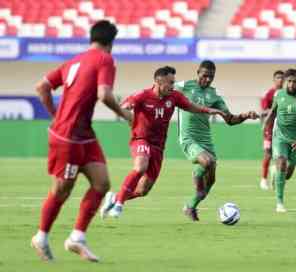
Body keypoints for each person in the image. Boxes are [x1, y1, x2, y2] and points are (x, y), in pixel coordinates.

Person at [31, 20, 131, 262]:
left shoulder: (75, 60)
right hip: (69, 137)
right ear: (111, 43)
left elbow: (42, 86)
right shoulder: (105, 59)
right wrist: (127, 115)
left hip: (83, 134)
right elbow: (104, 94)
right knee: (62, 190)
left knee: (101, 183)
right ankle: (41, 237)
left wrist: (55, 115)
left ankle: (77, 237)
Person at [100, 66, 226, 219]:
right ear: (158, 81)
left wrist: (211, 110)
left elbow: (192, 107)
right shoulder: (142, 95)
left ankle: (114, 198)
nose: (173, 86)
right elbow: (124, 107)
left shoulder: (174, 97)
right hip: (141, 140)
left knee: (143, 190)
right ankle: (119, 204)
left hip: (158, 147)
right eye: (170, 83)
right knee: (140, 167)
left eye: (173, 83)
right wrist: (127, 112)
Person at [174, 60, 259, 221]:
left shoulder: (214, 95)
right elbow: (161, 89)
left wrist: (245, 115)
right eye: (204, 76)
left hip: (206, 140)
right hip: (188, 138)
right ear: (198, 72)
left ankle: (190, 206)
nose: (207, 80)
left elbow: (230, 119)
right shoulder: (183, 86)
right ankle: (197, 173)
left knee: (210, 183)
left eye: (211, 77)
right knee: (208, 162)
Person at [264, 68, 296, 213]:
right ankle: (279, 203)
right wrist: (266, 124)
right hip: (279, 137)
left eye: (295, 82)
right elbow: (273, 110)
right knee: (281, 162)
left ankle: (275, 172)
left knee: (288, 174)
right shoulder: (278, 94)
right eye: (289, 81)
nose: (291, 85)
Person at [259, 70, 285, 190]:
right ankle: (264, 180)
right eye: (278, 78)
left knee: (281, 153)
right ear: (274, 80)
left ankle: (275, 171)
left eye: (282, 78)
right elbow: (263, 111)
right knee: (268, 153)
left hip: (283, 128)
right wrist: (272, 112)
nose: (280, 80)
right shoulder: (270, 93)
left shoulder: (286, 93)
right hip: (270, 128)